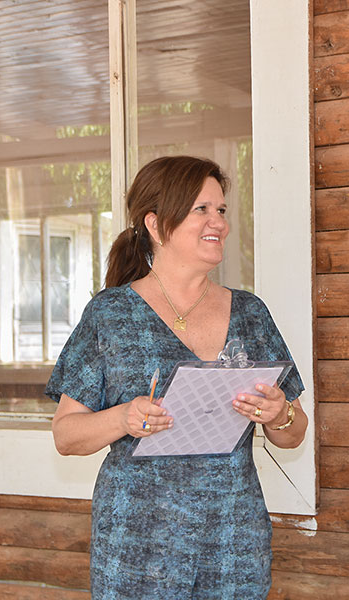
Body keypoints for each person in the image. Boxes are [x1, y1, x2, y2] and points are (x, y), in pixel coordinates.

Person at [47, 156, 308, 599]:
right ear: (155, 223)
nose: (218, 223)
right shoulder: (110, 314)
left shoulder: (250, 313)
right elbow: (66, 436)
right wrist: (124, 417)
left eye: (221, 210)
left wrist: (279, 414)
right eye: (200, 210)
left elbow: (294, 434)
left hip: (233, 543)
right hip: (138, 546)